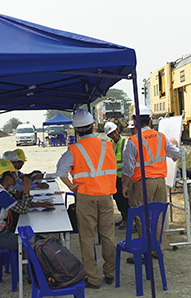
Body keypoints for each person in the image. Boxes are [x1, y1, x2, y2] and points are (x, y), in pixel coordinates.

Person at [56, 109, 117, 289]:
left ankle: (93, 278)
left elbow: (61, 171)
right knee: (108, 236)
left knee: (87, 238)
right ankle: (110, 273)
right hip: (106, 196)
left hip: (85, 197)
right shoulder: (107, 145)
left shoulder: (74, 149)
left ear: (76, 130)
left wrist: (70, 185)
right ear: (92, 126)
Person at [121, 105, 179, 252]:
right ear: (150, 120)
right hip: (160, 182)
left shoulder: (133, 141)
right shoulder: (161, 137)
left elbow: (128, 167)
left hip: (143, 183)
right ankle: (157, 250)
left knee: (142, 217)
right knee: (158, 216)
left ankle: (145, 250)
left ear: (134, 121)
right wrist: (174, 145)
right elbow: (175, 154)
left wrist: (125, 185)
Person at [0, 159, 53, 250]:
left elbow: (16, 204)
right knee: (33, 241)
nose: (17, 177)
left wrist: (39, 204)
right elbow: (23, 210)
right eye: (14, 174)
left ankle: (29, 263)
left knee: (35, 237)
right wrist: (26, 187)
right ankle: (30, 264)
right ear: (7, 178)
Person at [104, 121, 129, 229]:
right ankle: (123, 217)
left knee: (126, 199)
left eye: (114, 133)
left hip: (124, 176)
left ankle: (127, 219)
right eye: (111, 134)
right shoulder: (108, 144)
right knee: (117, 198)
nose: (113, 135)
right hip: (113, 178)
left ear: (118, 130)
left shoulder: (126, 142)